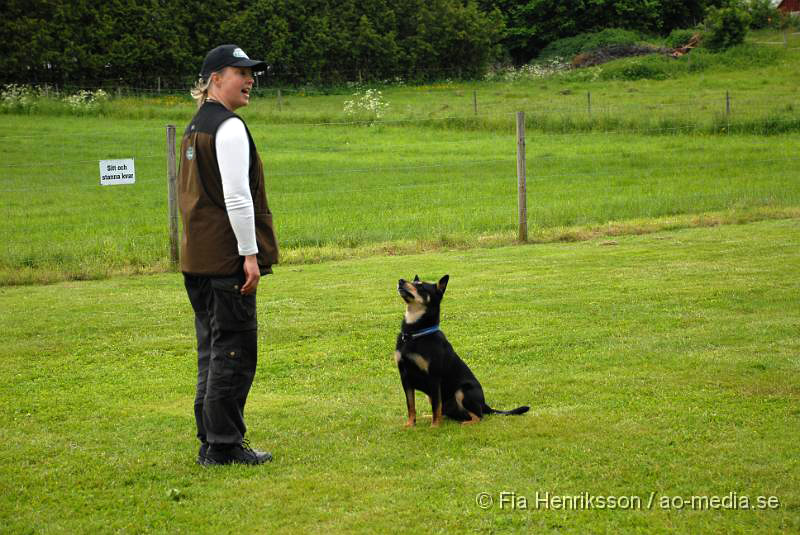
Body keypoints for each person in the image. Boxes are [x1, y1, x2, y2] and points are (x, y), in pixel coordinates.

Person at [178, 44, 279, 466]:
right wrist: (250, 255)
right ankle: (223, 445)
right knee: (234, 353)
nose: (251, 80)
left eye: (251, 72)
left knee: (212, 351)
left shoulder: (194, 128)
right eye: (242, 73)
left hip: (196, 260)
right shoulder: (228, 127)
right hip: (225, 262)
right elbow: (238, 199)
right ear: (216, 79)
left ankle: (211, 439)